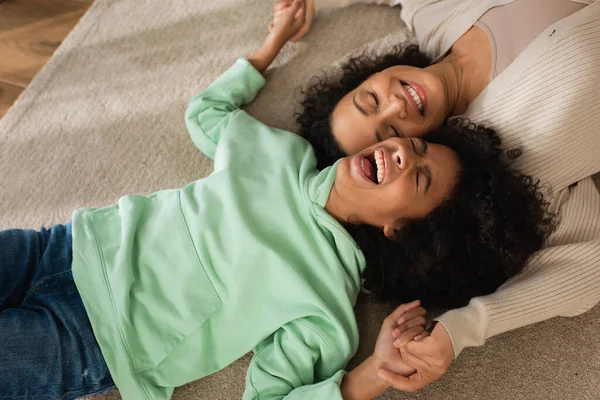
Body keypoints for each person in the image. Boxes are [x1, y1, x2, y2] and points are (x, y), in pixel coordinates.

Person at [0, 2, 551, 400]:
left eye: (423, 177)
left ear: (404, 230)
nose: (407, 151)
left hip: (94, 337)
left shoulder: (326, 304)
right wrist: (270, 47)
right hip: (65, 245)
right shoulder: (278, 151)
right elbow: (206, 116)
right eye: (418, 144)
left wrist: (370, 377)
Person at [269, 0, 600, 392]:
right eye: (390, 135)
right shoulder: (520, 159)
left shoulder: (432, 16)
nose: (396, 104)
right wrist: (465, 327)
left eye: (370, 98)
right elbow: (586, 268)